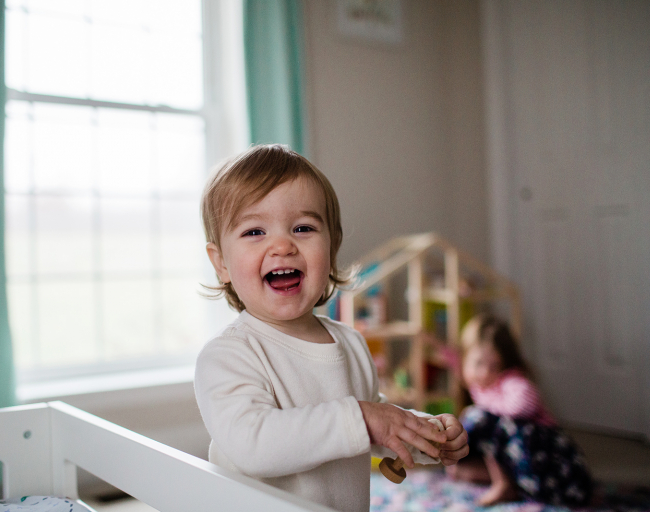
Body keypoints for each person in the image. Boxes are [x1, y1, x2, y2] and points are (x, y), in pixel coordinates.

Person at [194, 144, 469, 512]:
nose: (282, 245)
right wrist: (366, 418)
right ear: (221, 263)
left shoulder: (351, 343)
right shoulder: (229, 355)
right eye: (254, 231)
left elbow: (368, 423)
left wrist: (420, 432)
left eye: (303, 228)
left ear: (333, 247)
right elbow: (251, 444)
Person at [448, 314, 592, 506]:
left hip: (547, 458)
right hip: (525, 462)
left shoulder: (511, 381)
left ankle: (504, 484)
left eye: (494, 365)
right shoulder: (478, 383)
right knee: (461, 461)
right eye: (478, 364)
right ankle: (508, 482)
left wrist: (489, 409)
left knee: (478, 419)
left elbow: (525, 403)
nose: (485, 372)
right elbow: (451, 358)